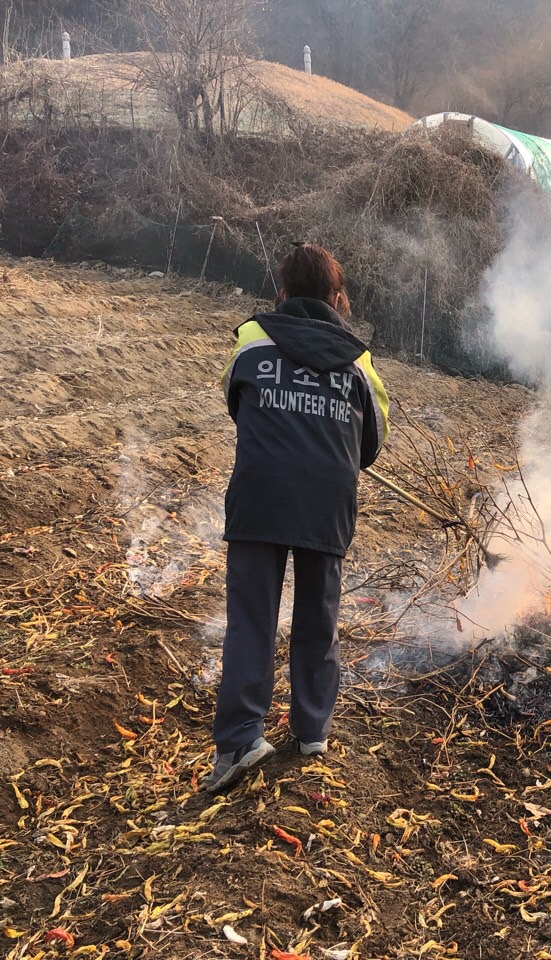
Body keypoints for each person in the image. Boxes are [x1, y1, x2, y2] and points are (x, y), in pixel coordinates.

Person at [206, 242, 389, 793]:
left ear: (282, 293)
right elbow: (372, 442)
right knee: (318, 618)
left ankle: (241, 739)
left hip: (260, 493)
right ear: (337, 298)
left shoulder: (251, 340)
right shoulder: (359, 360)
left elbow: (236, 404)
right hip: (327, 500)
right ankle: (312, 730)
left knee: (252, 619)